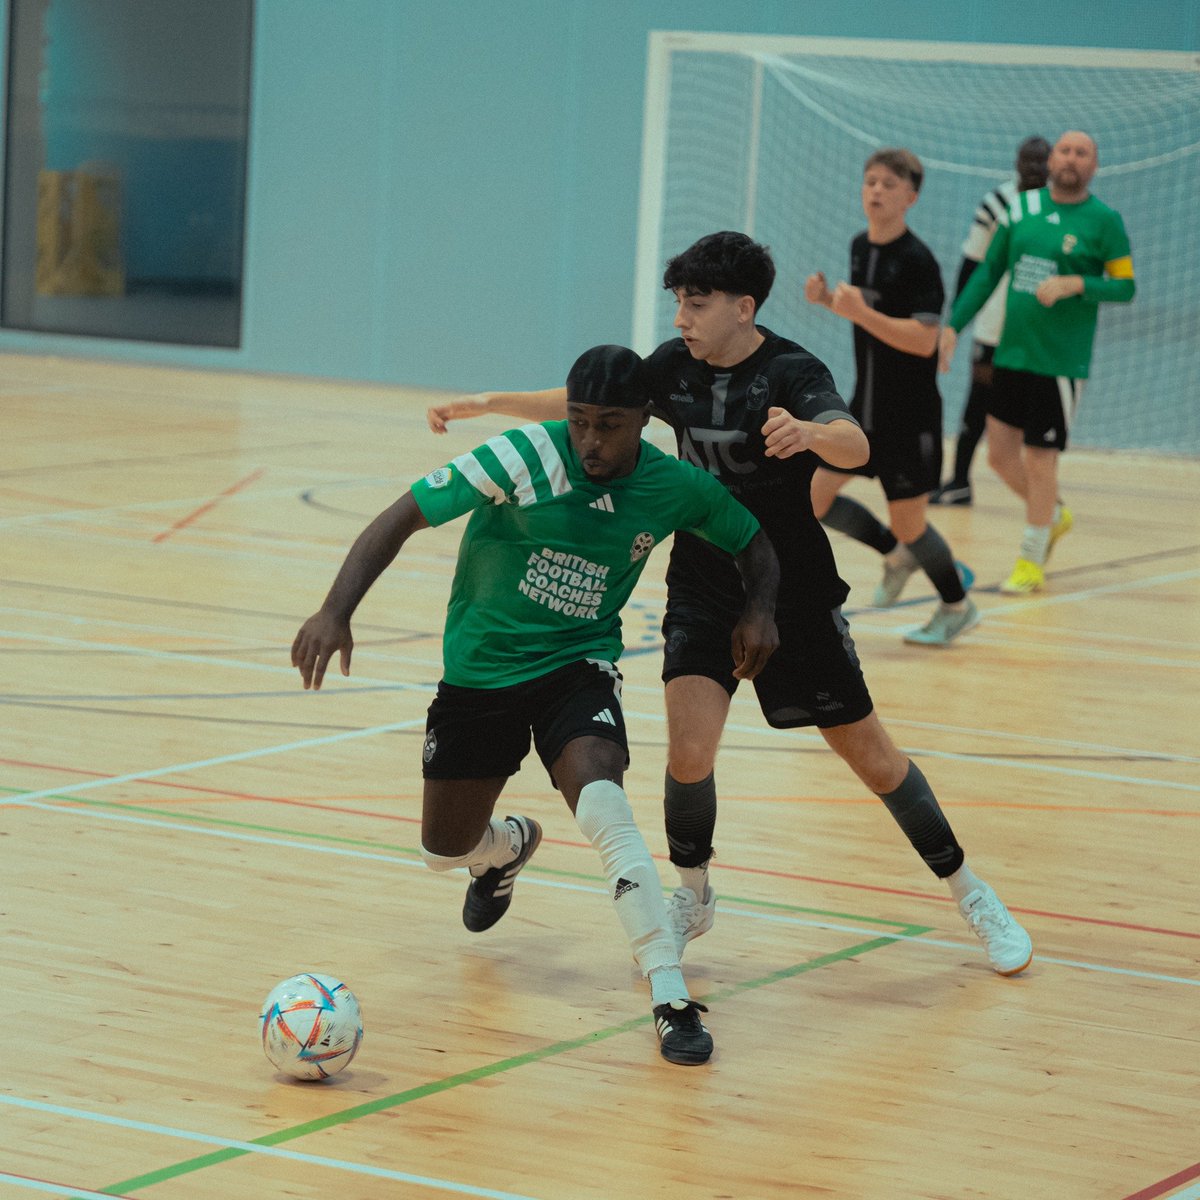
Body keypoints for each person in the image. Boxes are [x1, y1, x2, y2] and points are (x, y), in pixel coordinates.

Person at [427, 231, 1034, 979]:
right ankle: (693, 892)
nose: (682, 315)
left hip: (794, 593)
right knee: (688, 752)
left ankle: (970, 892)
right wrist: (487, 403)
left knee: (874, 759)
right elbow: (583, 403)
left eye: (698, 301)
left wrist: (808, 431)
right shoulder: (673, 369)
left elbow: (854, 445)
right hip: (705, 584)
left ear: (744, 308)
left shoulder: (790, 371)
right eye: (679, 301)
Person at [293, 344, 781, 1066]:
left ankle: (670, 997)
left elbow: (755, 543)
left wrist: (761, 608)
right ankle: (505, 849)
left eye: (609, 425)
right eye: (580, 421)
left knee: (604, 805)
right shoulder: (521, 456)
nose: (590, 440)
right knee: (441, 851)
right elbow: (398, 518)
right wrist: (335, 610)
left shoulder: (674, 486)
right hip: (481, 672)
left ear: (644, 421)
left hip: (576, 666)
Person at [941, 130, 1136, 594]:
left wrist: (1078, 285)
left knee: (1040, 459)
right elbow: (989, 272)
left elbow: (1125, 286)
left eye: (1082, 153)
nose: (1071, 159)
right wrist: (954, 325)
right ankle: (1052, 515)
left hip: (1060, 363)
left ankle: (1030, 560)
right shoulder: (1020, 211)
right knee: (1000, 457)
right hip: (1013, 352)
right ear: (1052, 160)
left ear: (1094, 165)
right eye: (1065, 151)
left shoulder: (1105, 221)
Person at [804, 148, 979, 647]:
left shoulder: (918, 260)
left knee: (913, 523)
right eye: (870, 182)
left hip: (910, 417)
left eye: (887, 184)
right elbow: (869, 316)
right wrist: (827, 302)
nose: (876, 191)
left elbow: (923, 339)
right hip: (865, 411)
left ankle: (956, 605)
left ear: (911, 197)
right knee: (811, 497)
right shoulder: (861, 246)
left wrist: (857, 312)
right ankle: (893, 554)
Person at [931, 136, 1051, 507]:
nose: (1032, 167)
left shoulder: (1061, 209)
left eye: (1040, 160)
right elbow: (972, 264)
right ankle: (960, 481)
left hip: (1041, 332)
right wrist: (955, 323)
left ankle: (1043, 493)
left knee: (1037, 411)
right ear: (1015, 162)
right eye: (1026, 160)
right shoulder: (997, 203)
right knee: (977, 400)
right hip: (994, 326)